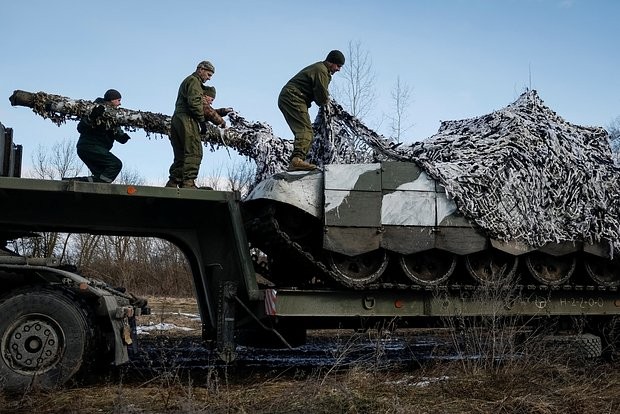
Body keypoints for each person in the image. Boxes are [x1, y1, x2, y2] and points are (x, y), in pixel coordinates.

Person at [278, 49, 345, 171]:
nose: (338, 69)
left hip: (290, 97)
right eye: (338, 66)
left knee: (304, 131)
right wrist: (329, 106)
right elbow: (321, 96)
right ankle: (296, 161)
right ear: (332, 62)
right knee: (305, 131)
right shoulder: (321, 71)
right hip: (294, 97)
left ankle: (297, 160)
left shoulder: (321, 69)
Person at [166, 60, 216, 189]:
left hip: (177, 118)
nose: (209, 78)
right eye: (208, 75)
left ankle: (173, 182)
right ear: (201, 70)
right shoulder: (194, 81)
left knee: (181, 154)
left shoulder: (189, 81)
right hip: (187, 119)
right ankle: (188, 183)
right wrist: (201, 121)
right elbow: (195, 103)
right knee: (194, 151)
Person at [74, 89, 131, 183]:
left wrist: (123, 137)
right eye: (118, 100)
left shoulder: (114, 117)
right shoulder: (95, 109)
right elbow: (81, 128)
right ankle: (100, 186)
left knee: (100, 174)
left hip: (89, 149)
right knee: (115, 164)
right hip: (90, 147)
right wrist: (92, 117)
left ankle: (80, 182)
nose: (120, 103)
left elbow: (117, 132)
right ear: (112, 100)